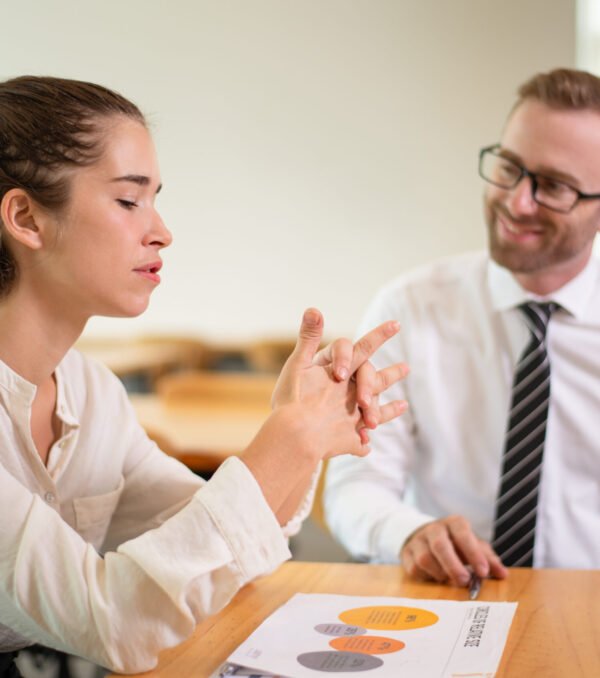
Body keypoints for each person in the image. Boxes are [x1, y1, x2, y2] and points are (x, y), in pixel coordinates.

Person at [0, 75, 409, 676]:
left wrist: (296, 428)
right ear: (27, 218)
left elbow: (223, 545)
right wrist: (287, 440)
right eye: (128, 200)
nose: (162, 231)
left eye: (156, 199)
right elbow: (119, 624)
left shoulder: (92, 394)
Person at [325, 68, 600, 588]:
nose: (517, 202)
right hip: (444, 604)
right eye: (510, 168)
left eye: (555, 186)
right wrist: (408, 532)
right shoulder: (409, 308)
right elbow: (354, 486)